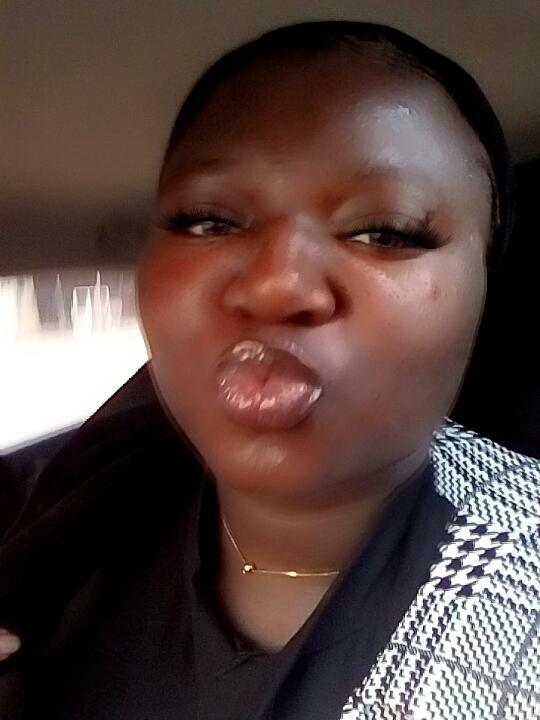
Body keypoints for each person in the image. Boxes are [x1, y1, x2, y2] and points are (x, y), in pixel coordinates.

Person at [0, 20, 538, 720]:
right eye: (208, 220)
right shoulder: (71, 517)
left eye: (385, 231)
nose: (276, 285)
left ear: (485, 292)